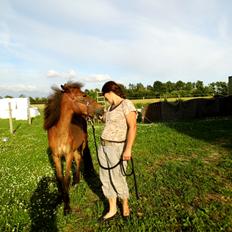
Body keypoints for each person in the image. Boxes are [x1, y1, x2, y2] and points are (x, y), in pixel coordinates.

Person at [98, 81, 137, 221]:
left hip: (117, 147)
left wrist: (128, 149)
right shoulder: (110, 108)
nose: (105, 98)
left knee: (118, 177)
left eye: (104, 96)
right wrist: (98, 116)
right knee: (105, 178)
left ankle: (125, 205)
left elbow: (132, 127)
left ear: (109, 92)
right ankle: (112, 208)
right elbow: (107, 122)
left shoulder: (127, 104)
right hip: (103, 146)